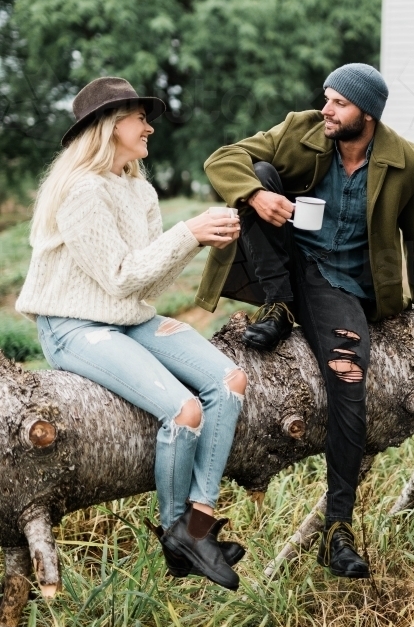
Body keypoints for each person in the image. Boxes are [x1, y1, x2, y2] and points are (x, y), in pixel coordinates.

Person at [195, 62, 414, 579]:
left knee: (348, 377)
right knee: (261, 173)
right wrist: (257, 195)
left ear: (366, 111)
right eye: (326, 99)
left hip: (343, 285)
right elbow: (224, 157)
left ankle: (338, 527)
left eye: (338, 103)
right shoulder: (302, 129)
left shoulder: (409, 161)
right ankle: (277, 306)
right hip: (288, 260)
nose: (326, 110)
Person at [16, 77, 247, 591]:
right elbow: (120, 274)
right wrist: (188, 232)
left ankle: (199, 525)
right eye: (140, 117)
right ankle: (174, 530)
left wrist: (192, 242)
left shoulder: (139, 188)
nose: (149, 127)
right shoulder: (80, 190)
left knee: (228, 381)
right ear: (109, 126)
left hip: (131, 316)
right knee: (184, 410)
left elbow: (149, 280)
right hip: (75, 326)